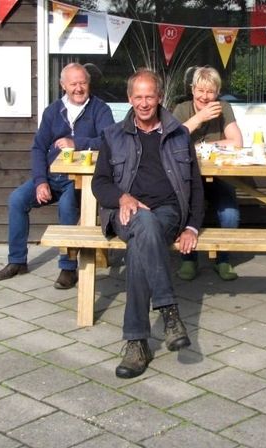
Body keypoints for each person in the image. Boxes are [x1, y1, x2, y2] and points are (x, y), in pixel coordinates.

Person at [92, 69, 204, 379]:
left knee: (146, 234)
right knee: (143, 222)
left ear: (159, 98)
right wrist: (123, 197)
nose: (144, 103)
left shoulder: (178, 134)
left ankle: (136, 343)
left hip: (168, 212)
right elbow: (99, 184)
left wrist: (192, 226)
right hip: (126, 213)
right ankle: (169, 312)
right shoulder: (113, 135)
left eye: (149, 96)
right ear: (129, 99)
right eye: (138, 97)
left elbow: (195, 186)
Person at [0, 63, 115, 289]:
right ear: (63, 85)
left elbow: (109, 140)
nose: (78, 88)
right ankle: (17, 261)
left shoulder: (100, 109)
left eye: (82, 83)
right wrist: (40, 182)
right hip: (51, 175)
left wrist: (76, 143)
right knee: (17, 200)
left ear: (89, 84)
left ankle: (68, 269)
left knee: (67, 207)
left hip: (79, 180)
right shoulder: (53, 111)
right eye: (73, 83)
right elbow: (38, 148)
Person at [172, 66, 243, 281]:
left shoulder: (223, 108)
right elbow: (171, 142)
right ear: (192, 90)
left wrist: (203, 146)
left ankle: (223, 259)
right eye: (200, 90)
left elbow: (237, 143)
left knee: (230, 212)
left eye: (210, 91)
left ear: (217, 93)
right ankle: (188, 259)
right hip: (189, 178)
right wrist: (199, 118)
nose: (205, 96)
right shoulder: (182, 109)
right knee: (184, 207)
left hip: (220, 176)